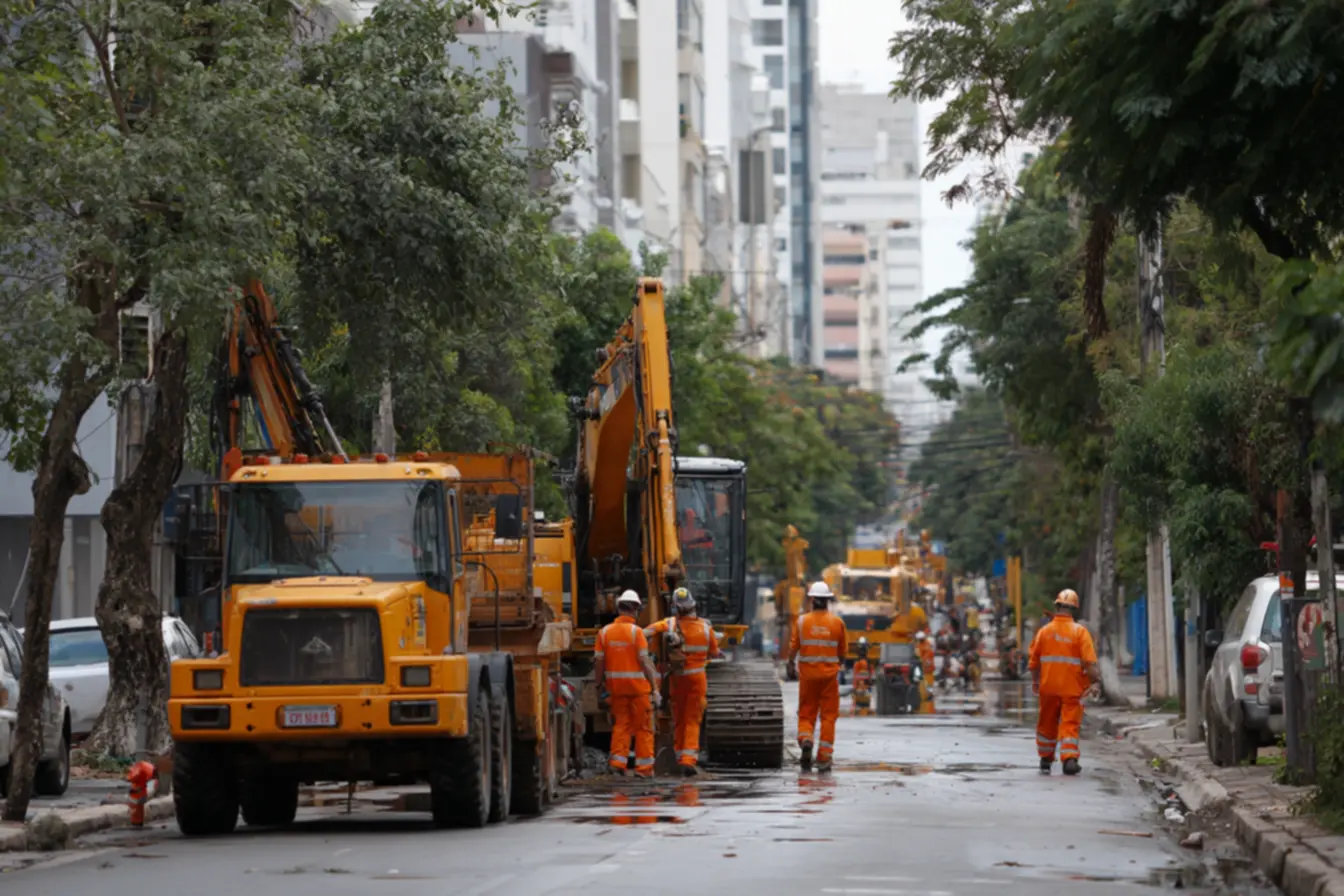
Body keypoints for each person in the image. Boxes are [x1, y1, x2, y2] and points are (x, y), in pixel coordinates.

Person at [644, 586, 720, 776]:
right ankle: (688, 759)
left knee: (678, 717)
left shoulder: (669, 624)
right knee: (693, 719)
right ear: (693, 605)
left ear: (676, 608)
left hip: (677, 678)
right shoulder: (705, 627)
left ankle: (679, 756)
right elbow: (714, 652)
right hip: (697, 679)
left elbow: (645, 632)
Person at [1029, 588, 1100, 776]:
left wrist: (1035, 681)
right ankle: (1069, 758)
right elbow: (1089, 663)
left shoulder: (1044, 632)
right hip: (1073, 688)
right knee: (1069, 723)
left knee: (1046, 723)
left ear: (1057, 606)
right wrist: (1095, 682)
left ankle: (1045, 758)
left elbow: (1034, 662)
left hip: (1048, 687)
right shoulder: (1080, 632)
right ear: (1074, 609)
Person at [596, 590, 662, 777]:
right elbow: (644, 662)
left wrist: (598, 684)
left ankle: (617, 763)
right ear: (635, 609)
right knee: (643, 728)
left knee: (621, 725)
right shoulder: (637, 633)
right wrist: (655, 688)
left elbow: (599, 663)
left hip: (616, 689)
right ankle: (644, 769)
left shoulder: (604, 633)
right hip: (638, 689)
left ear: (618, 608)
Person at [788, 581, 847, 772]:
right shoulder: (837, 623)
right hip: (829, 677)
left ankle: (806, 739)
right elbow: (843, 652)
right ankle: (824, 757)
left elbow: (794, 646)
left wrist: (790, 663)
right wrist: (838, 664)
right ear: (828, 601)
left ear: (812, 599)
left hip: (808, 675)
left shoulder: (802, 621)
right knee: (829, 716)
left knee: (806, 711)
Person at [851, 638, 873, 716]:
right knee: (863, 708)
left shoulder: (860, 663)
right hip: (863, 688)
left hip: (862, 688)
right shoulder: (864, 663)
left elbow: (857, 676)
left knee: (861, 708)